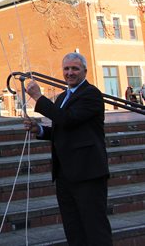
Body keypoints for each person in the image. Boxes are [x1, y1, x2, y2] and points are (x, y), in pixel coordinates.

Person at [24, 52, 112, 246]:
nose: (70, 73)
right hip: (65, 174)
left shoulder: (91, 94)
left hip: (88, 173)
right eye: (66, 69)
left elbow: (68, 119)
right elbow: (62, 128)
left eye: (75, 68)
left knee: (95, 229)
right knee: (73, 229)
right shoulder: (62, 97)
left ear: (85, 72)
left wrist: (38, 98)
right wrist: (39, 129)